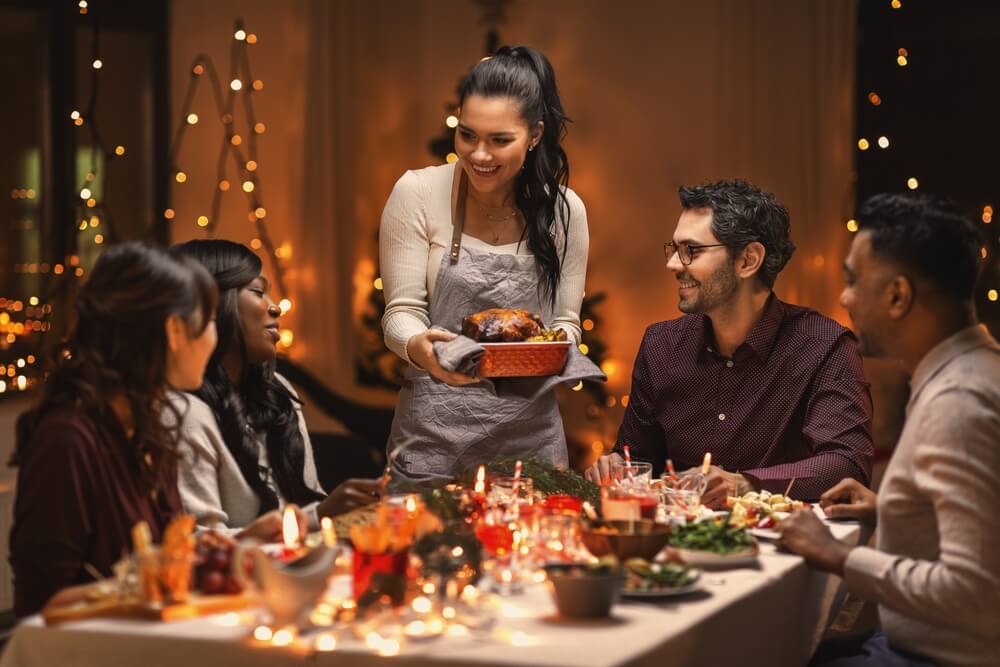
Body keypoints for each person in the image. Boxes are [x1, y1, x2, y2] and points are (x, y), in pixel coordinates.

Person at [777, 193, 1000, 667]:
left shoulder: (958, 402)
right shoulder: (975, 368)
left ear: (898, 295)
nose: (844, 298)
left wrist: (837, 556)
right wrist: (896, 509)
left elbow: (974, 592)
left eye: (854, 281)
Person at [586, 180, 874, 506]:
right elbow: (636, 459)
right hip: (679, 544)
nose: (673, 264)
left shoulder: (824, 346)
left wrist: (745, 484)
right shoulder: (661, 345)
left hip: (785, 546)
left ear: (748, 260)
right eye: (675, 249)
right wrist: (616, 467)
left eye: (691, 250)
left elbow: (846, 465)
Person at [379, 46, 592, 484]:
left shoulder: (565, 211)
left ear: (534, 134)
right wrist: (419, 347)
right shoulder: (417, 192)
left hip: (530, 444)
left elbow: (567, 324)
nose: (479, 155)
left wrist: (539, 354)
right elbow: (400, 313)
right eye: (468, 134)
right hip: (432, 438)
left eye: (499, 140)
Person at [9, 243, 218, 617]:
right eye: (210, 320)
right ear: (173, 330)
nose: (214, 337)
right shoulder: (68, 441)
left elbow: (163, 561)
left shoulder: (149, 429)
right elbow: (43, 606)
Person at [169, 240, 379, 536]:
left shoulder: (278, 391)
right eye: (257, 292)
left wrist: (325, 511)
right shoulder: (184, 413)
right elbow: (200, 543)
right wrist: (312, 519)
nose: (275, 306)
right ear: (212, 306)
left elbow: (300, 515)